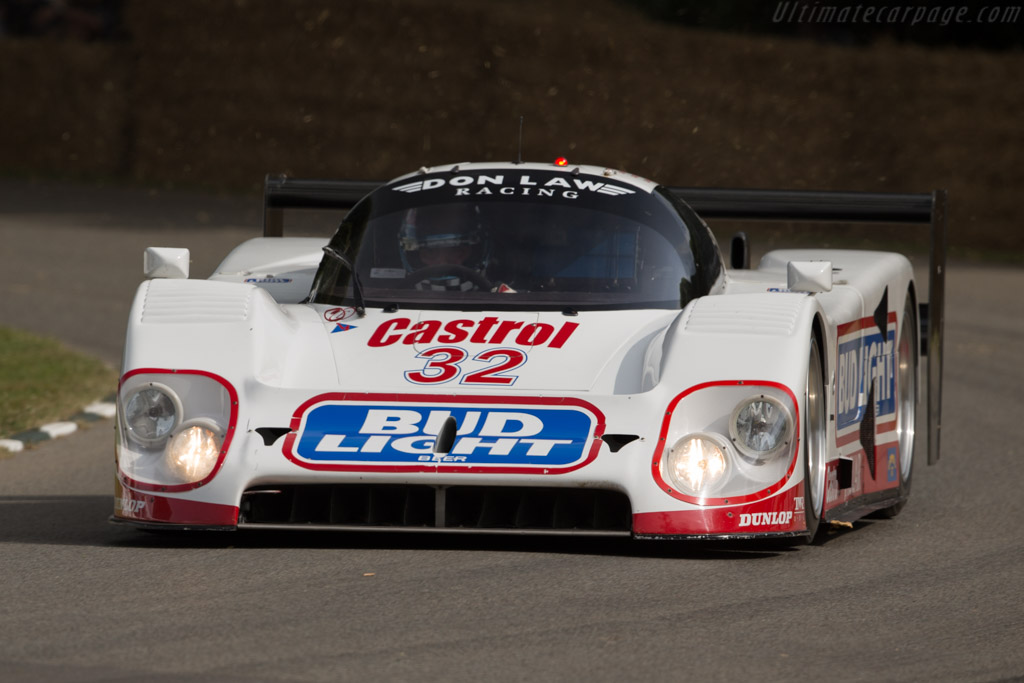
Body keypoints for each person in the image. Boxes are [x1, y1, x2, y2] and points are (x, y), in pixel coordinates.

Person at [399, 204, 508, 292]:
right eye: (430, 252)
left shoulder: (514, 295)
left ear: (477, 253)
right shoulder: (384, 294)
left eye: (456, 251)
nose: (442, 263)